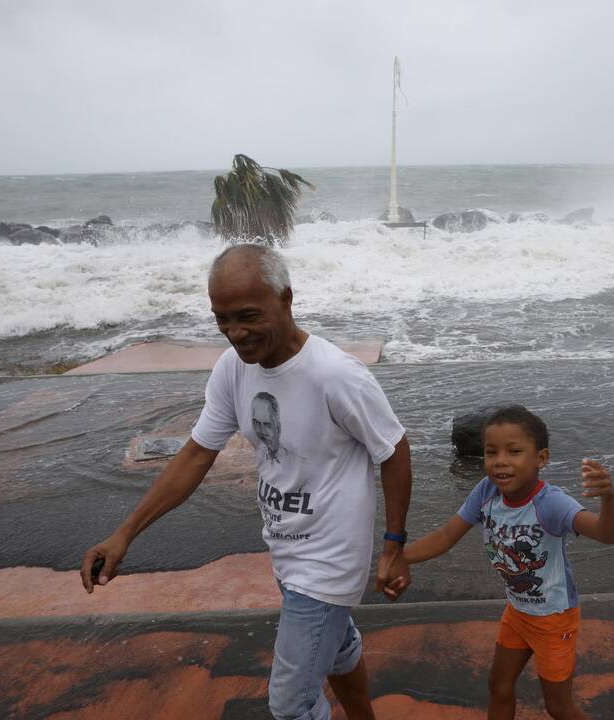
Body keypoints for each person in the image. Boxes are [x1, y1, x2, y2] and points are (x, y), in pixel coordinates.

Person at [80, 244, 413, 720]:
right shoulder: (233, 369)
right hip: (285, 549)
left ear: (286, 299)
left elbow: (394, 449)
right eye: (222, 318)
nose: (235, 333)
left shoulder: (336, 375)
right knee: (337, 650)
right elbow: (196, 455)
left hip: (326, 566)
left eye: (248, 316)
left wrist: (393, 543)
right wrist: (124, 533)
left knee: (291, 705)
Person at [390, 405, 614, 720]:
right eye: (491, 452)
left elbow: (607, 534)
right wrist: (397, 558)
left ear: (541, 458)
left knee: (558, 707)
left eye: (514, 451)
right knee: (498, 685)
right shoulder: (486, 491)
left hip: (553, 619)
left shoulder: (550, 503)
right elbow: (446, 536)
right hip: (517, 612)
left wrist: (608, 498)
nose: (500, 461)